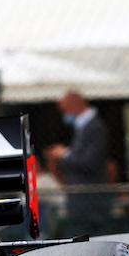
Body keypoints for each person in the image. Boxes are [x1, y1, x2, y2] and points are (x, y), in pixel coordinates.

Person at [44, 91, 110, 233]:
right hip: (82, 205)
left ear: (74, 105)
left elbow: (88, 162)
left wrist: (64, 154)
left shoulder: (95, 127)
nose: (64, 116)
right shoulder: (84, 127)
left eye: (64, 110)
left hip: (90, 205)